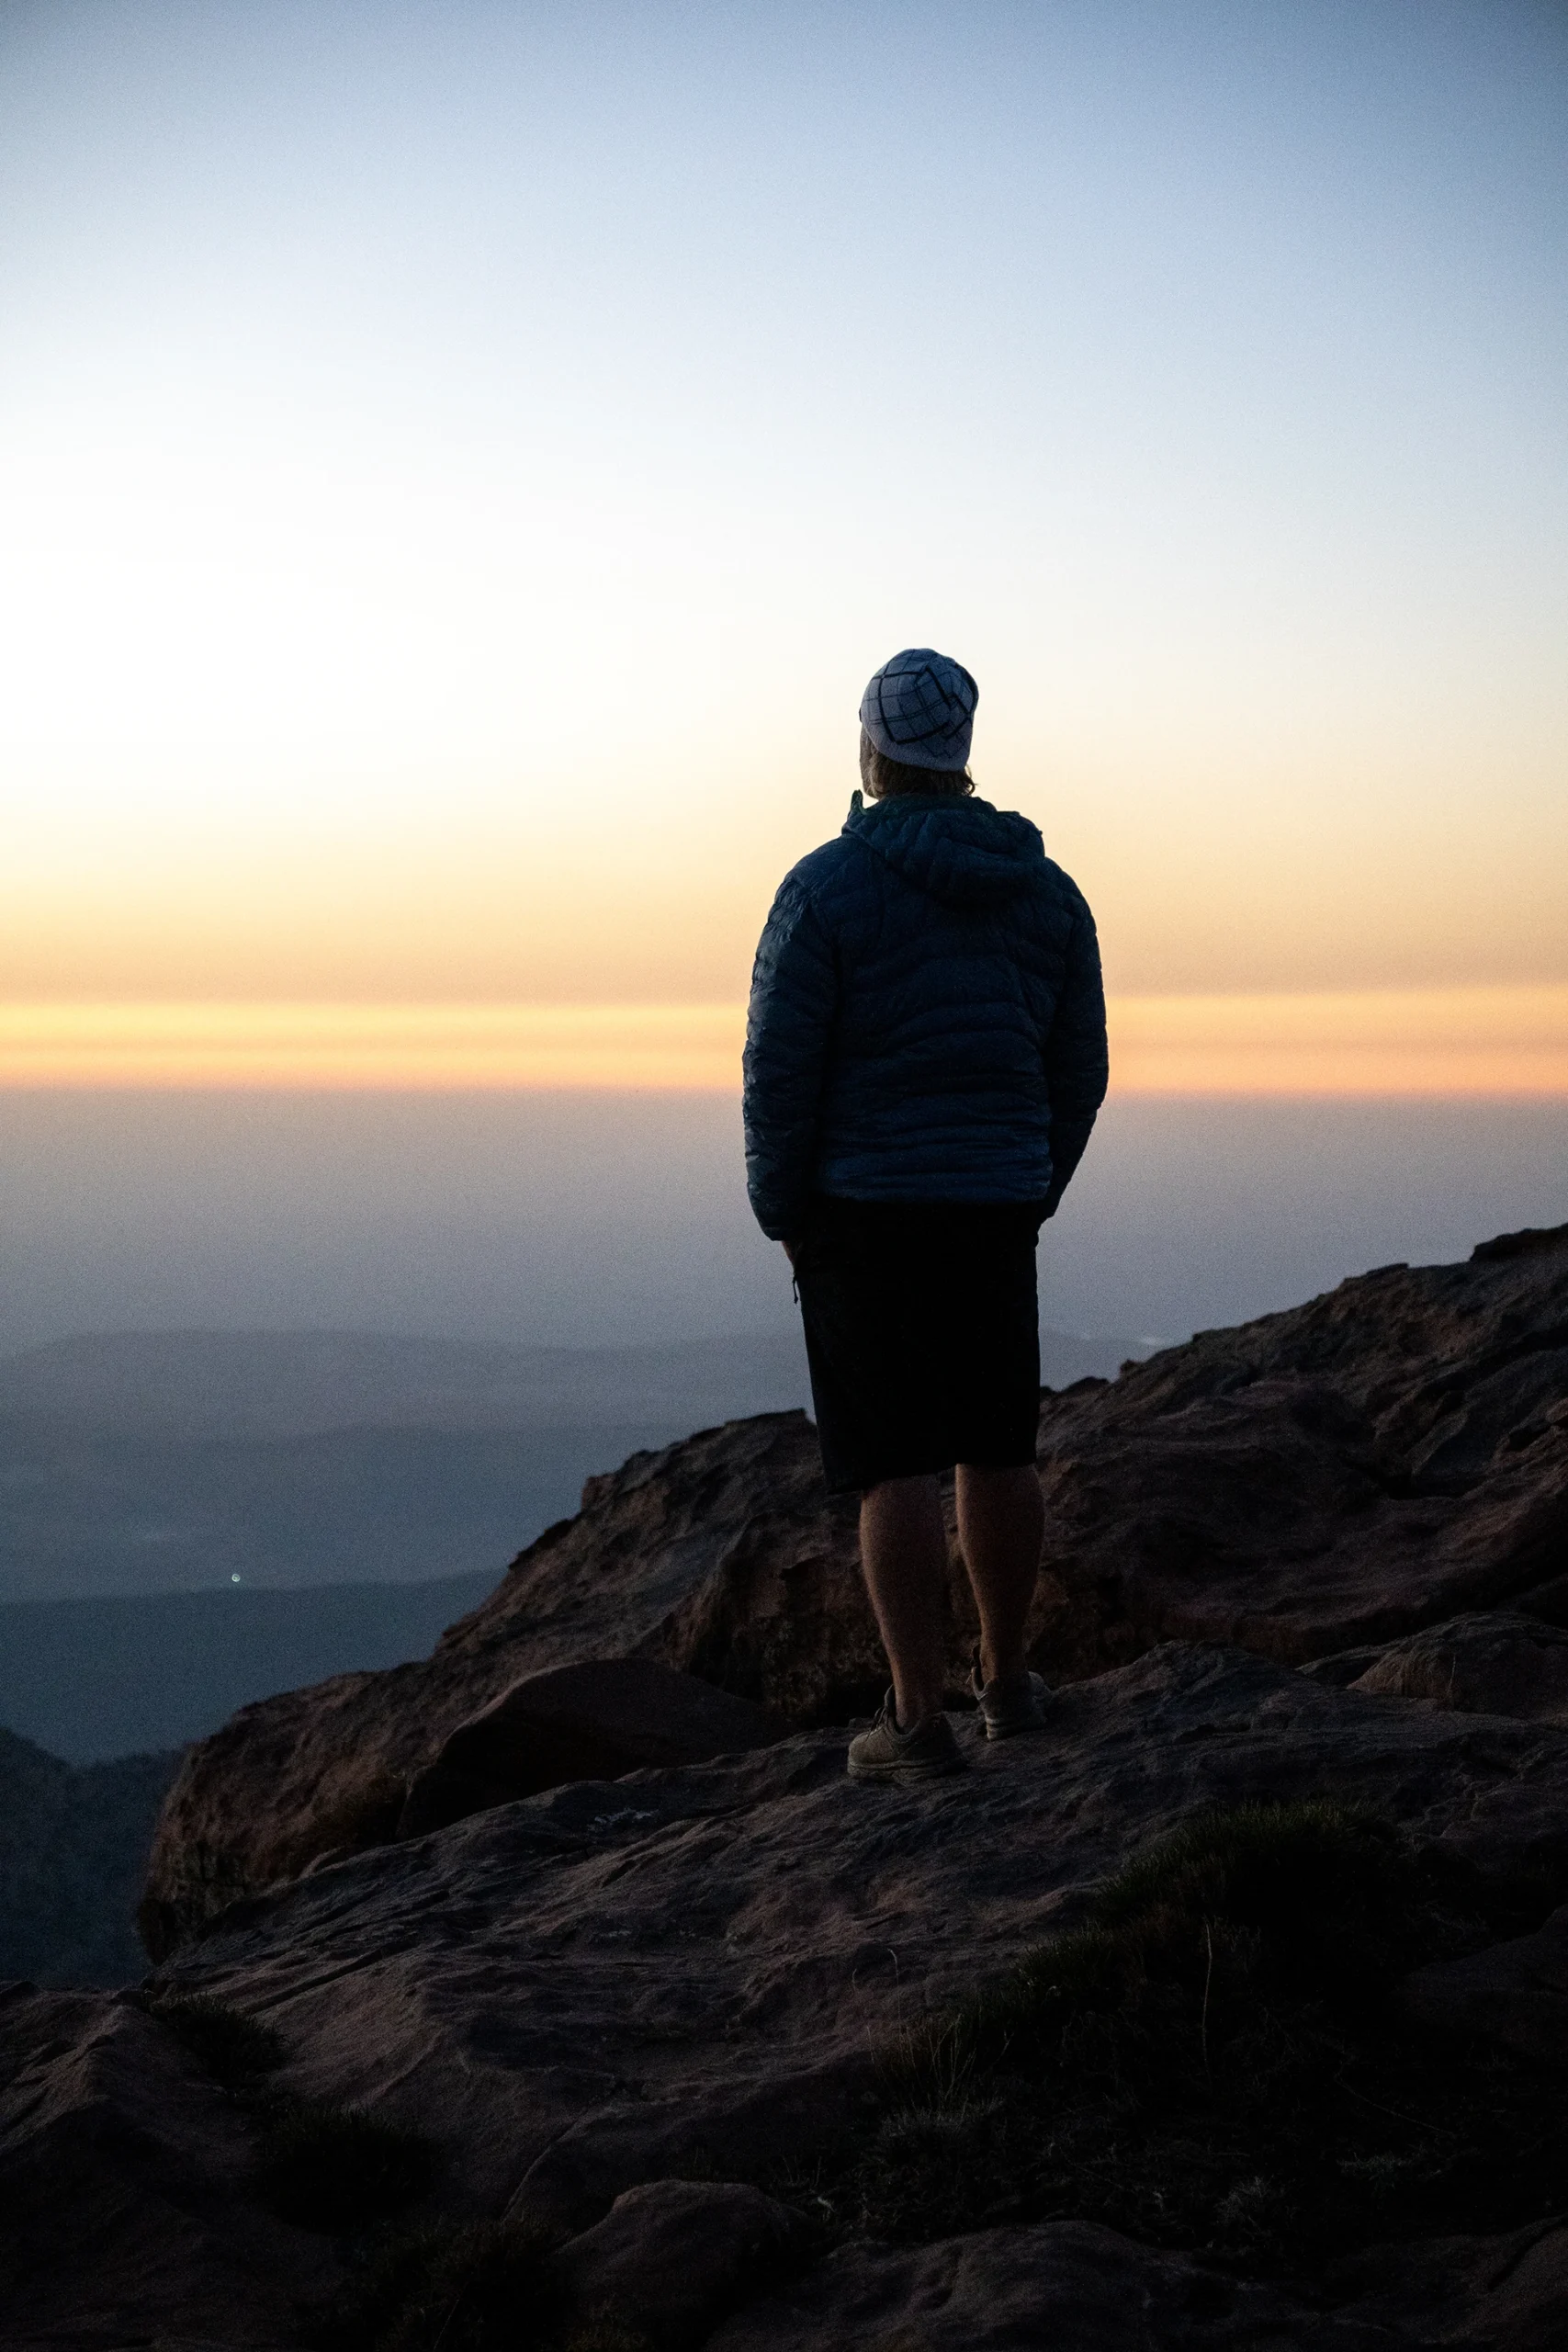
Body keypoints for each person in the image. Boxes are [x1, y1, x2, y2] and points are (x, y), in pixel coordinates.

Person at [742, 648, 1109, 1783]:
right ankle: (1007, 1686)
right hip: (992, 1205)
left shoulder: (825, 888)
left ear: (870, 751)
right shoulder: (1045, 893)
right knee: (998, 1448)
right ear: (960, 755)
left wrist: (781, 1205)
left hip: (862, 1213)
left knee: (892, 1465)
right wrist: (1028, 1182)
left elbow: (778, 1067)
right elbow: (1078, 1067)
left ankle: (917, 1721)